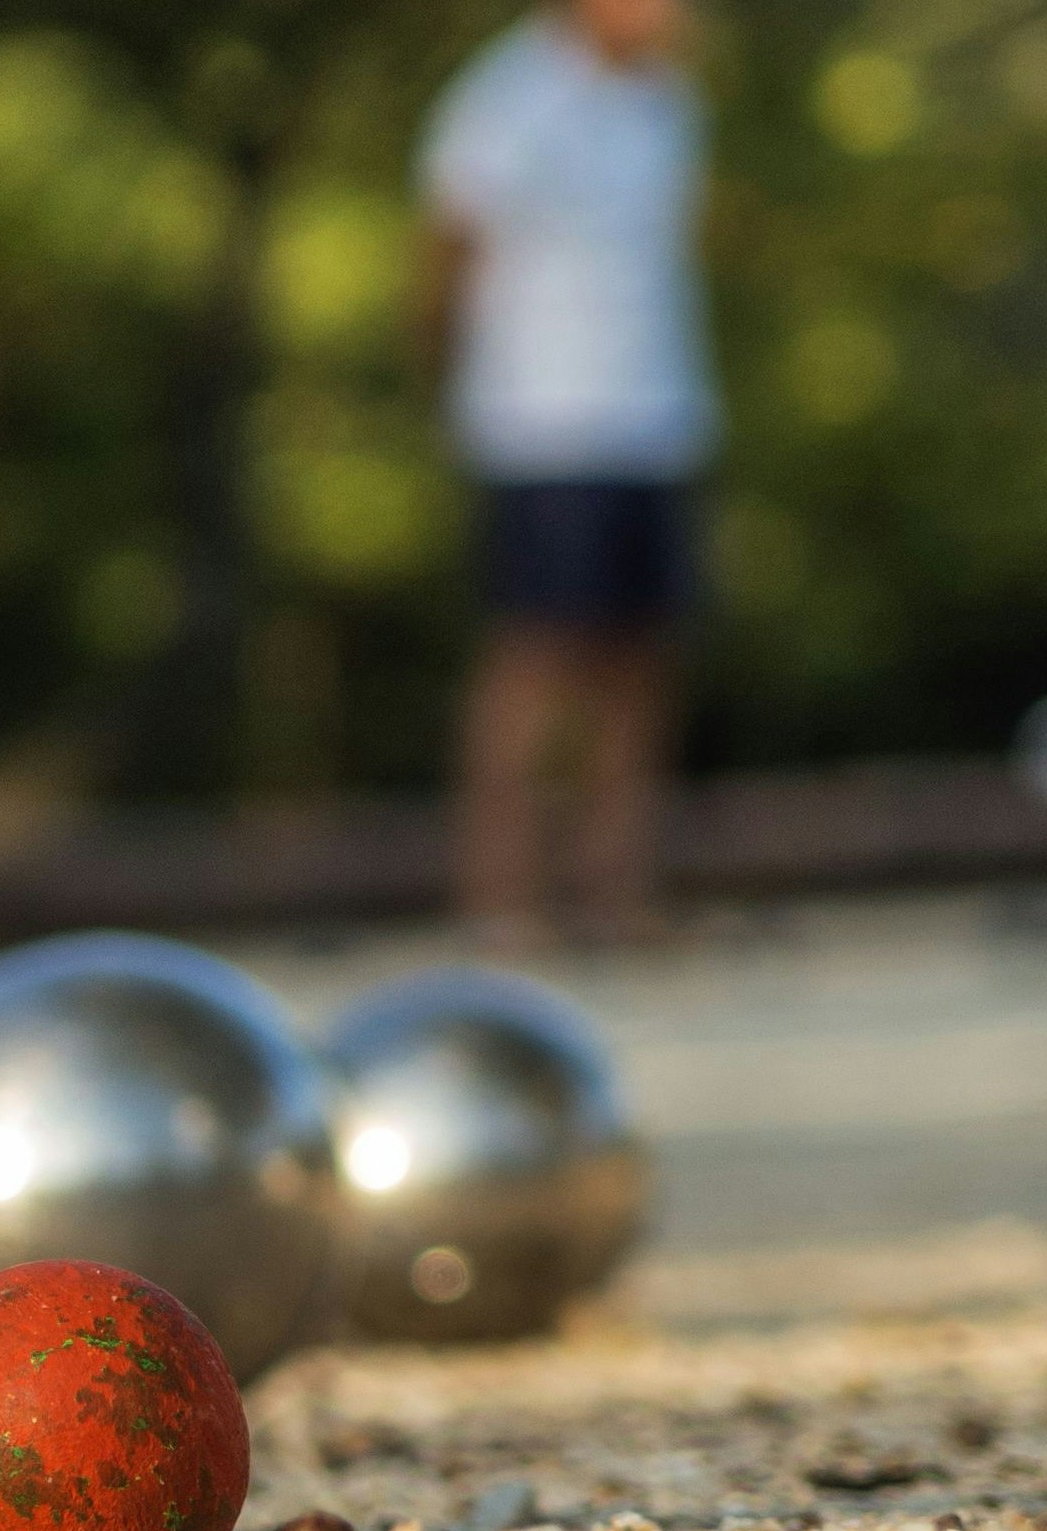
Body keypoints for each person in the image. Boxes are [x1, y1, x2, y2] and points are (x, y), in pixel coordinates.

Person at [419, 0, 715, 951]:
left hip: (654, 418)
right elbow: (446, 250)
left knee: (641, 662)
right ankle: (502, 902)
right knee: (535, 660)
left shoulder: (669, 103)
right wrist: (449, 387)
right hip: (542, 421)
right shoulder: (510, 98)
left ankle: (616, 892)